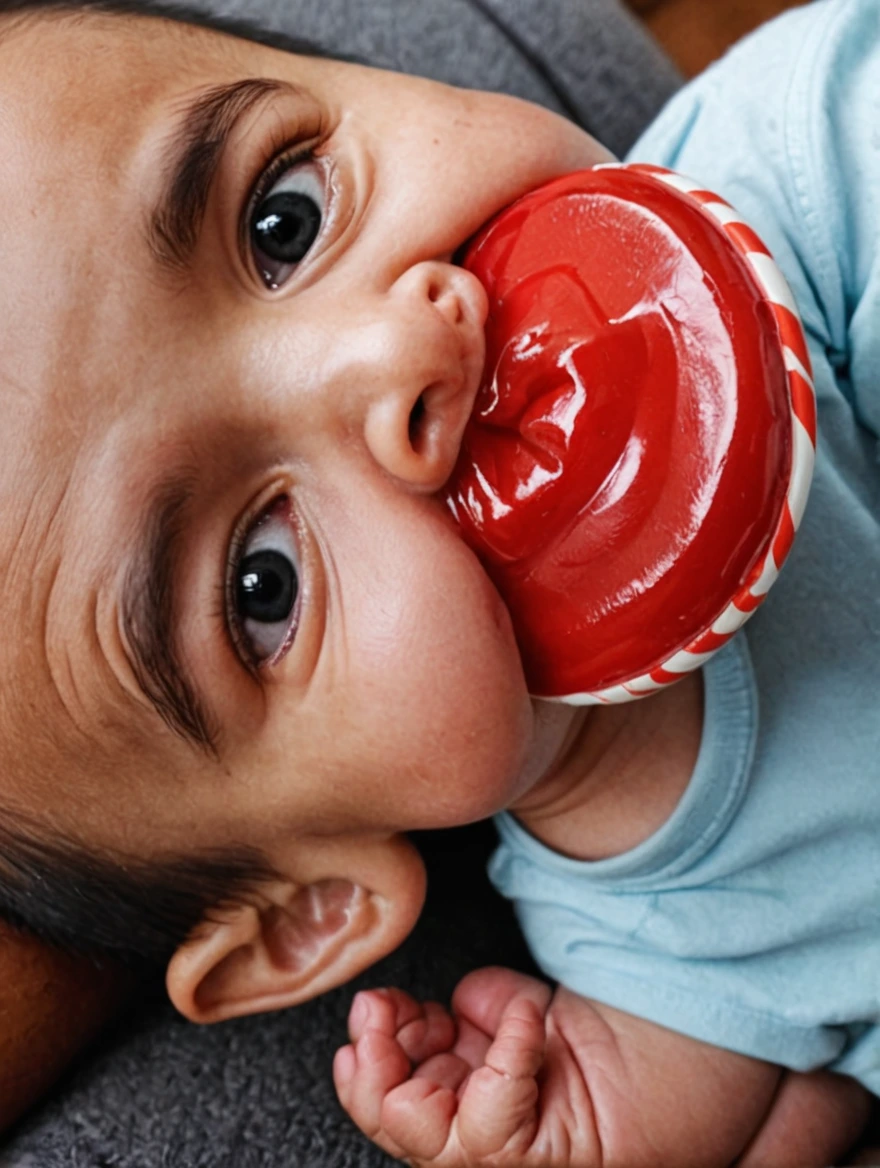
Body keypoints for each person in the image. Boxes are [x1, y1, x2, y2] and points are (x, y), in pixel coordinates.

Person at [0, 1, 875, 1166]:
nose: (391, 360)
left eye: (283, 219)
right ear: (312, 913)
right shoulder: (648, 981)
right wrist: (589, 1123)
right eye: (264, 583)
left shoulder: (821, 156)